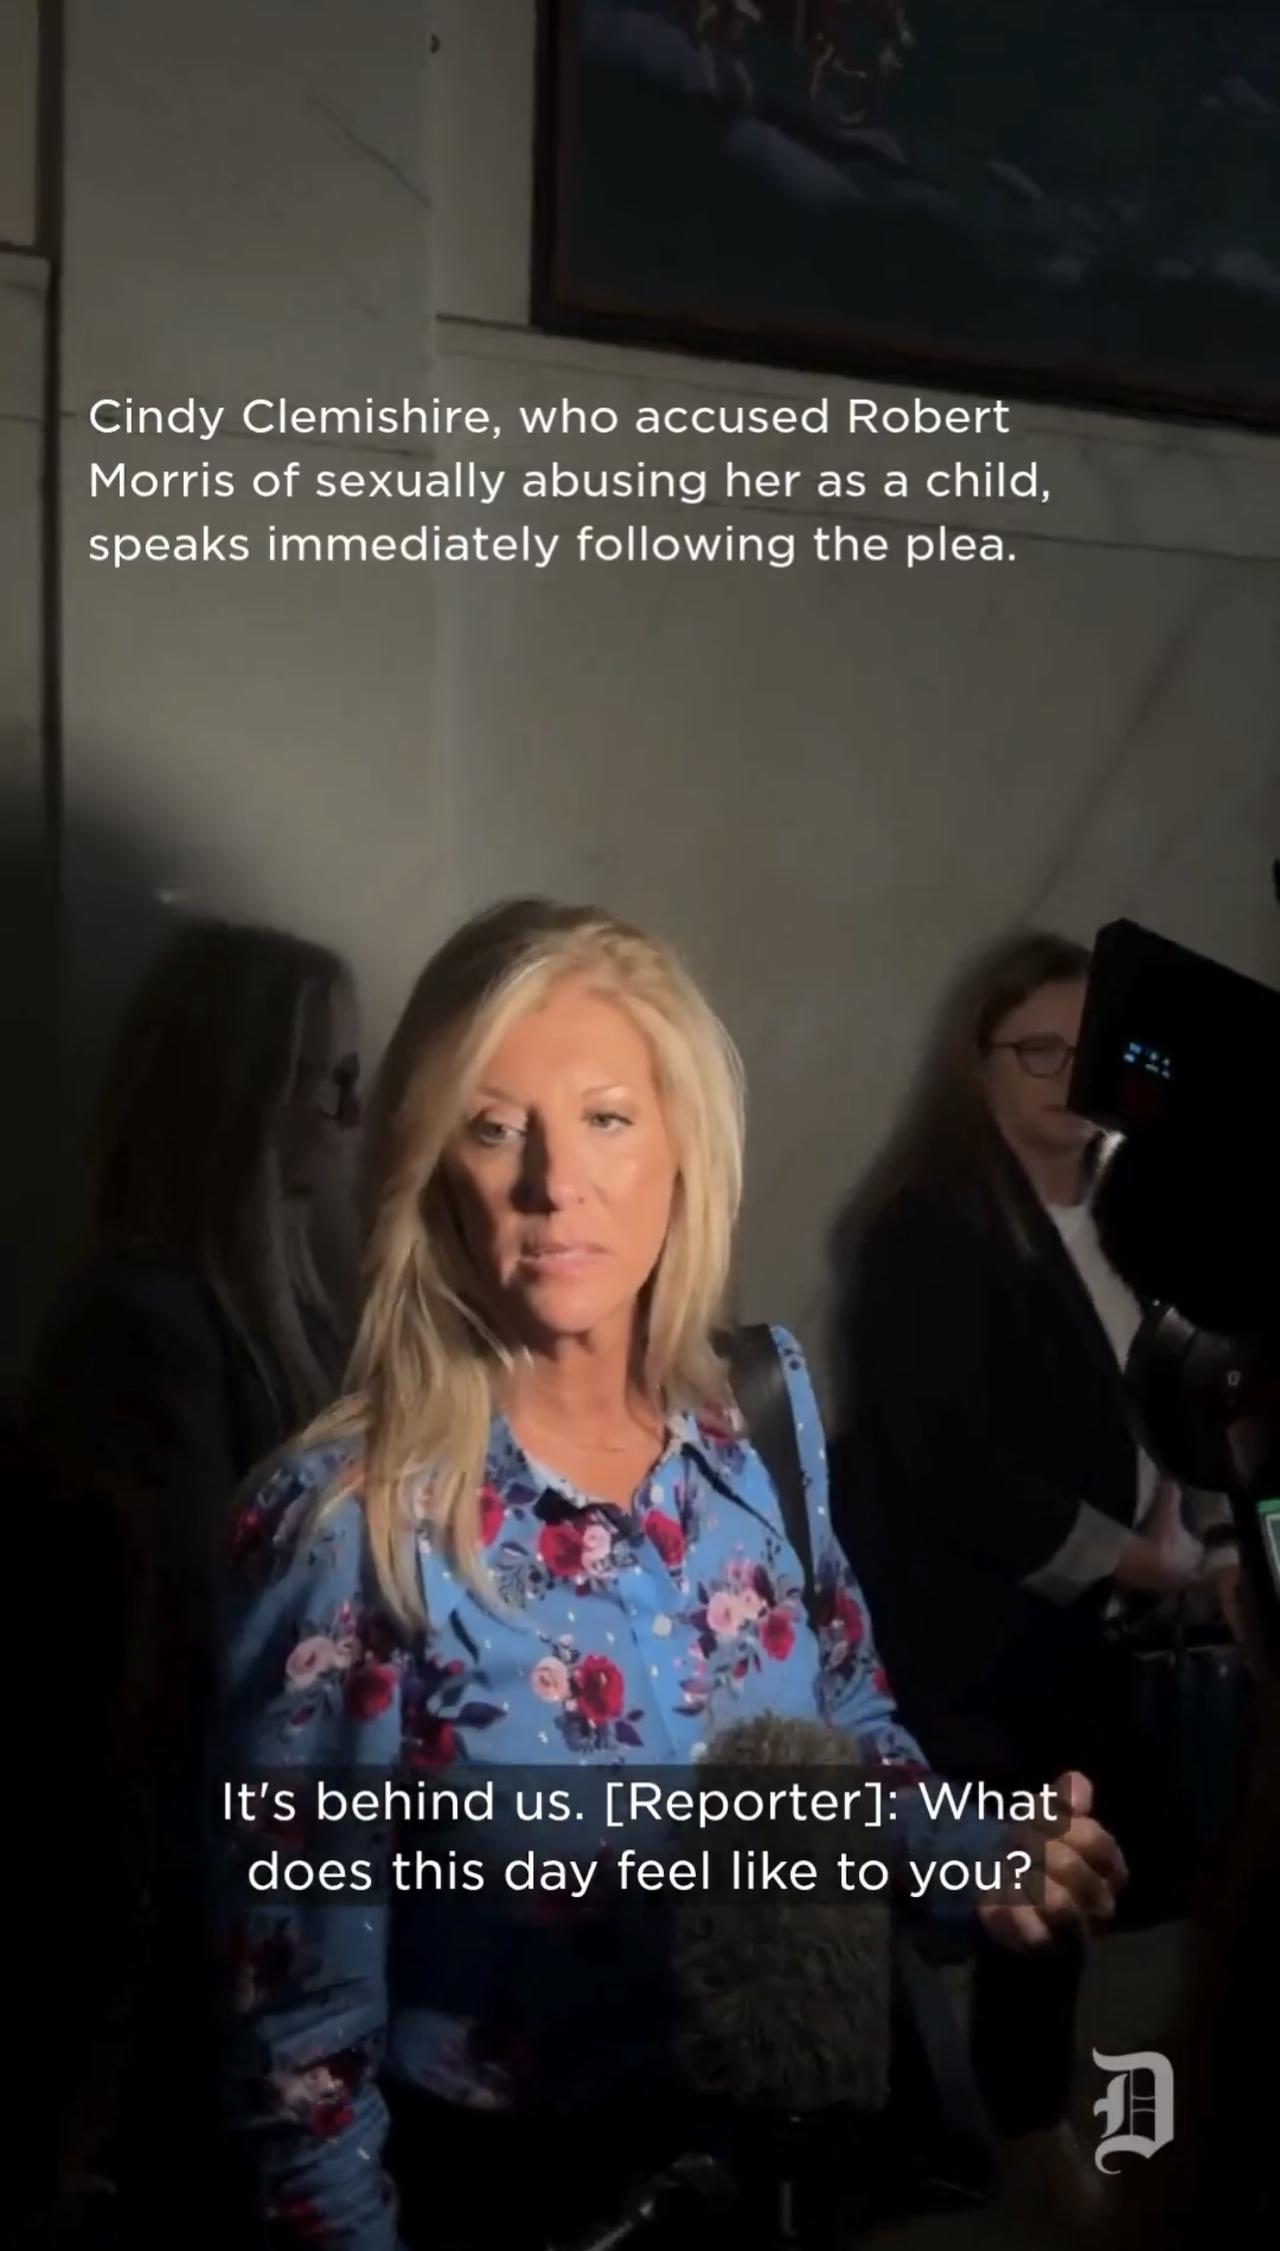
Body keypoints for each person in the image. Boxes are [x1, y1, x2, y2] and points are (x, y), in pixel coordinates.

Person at [216, 898, 1127, 2251]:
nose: (552, 1181)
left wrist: (974, 1852)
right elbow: (293, 2038)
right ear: (430, 1165)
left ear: (682, 1147)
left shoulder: (754, 1418)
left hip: (773, 2172)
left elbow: (842, 1731)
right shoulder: (347, 1523)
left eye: (605, 1117)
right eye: (493, 1126)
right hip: (505, 2205)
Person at [826, 929, 1238, 2229]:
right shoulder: (924, 1227)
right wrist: (1133, 1556)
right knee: (1022, 1888)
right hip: (963, 1636)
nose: (1069, 1077)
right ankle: (1013, 2153)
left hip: (1087, 1632)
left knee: (1073, 1888)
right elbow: (954, 1464)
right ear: (979, 1063)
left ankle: (1043, 2130)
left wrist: (1212, 1539)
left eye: (1090, 1051)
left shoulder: (1133, 1212)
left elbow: (1184, 1400)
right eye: (1037, 1050)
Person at [23, 916, 362, 2249]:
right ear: (241, 1094)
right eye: (327, 1079)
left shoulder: (274, 1309)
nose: (349, 1116)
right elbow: (204, 1645)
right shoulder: (143, 1326)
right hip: (189, 1889)